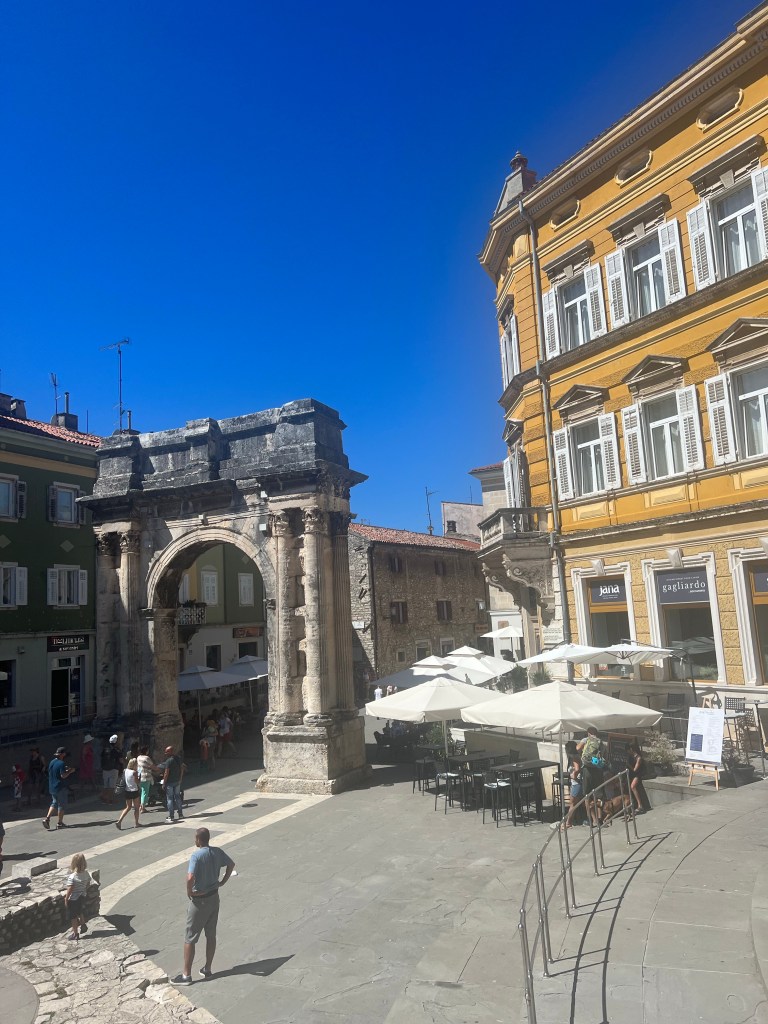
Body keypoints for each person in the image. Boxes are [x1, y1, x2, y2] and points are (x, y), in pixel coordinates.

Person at [172, 827, 235, 985]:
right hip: (214, 897)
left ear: (199, 840)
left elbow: (190, 877)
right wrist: (222, 882)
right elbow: (231, 864)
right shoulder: (217, 852)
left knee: (190, 937)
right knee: (211, 934)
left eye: (195, 838)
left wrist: (189, 891)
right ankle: (207, 968)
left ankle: (186, 975)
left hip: (200, 901)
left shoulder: (196, 856)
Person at [577, 727, 606, 827]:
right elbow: (604, 756)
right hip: (598, 770)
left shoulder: (586, 740)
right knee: (598, 795)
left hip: (587, 770)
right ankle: (600, 819)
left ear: (588, 733)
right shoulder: (601, 742)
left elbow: (577, 748)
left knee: (587, 796)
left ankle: (591, 820)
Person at [42, 746, 76, 830]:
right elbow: (63, 775)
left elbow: (54, 771)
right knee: (61, 805)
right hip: (60, 787)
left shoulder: (52, 762)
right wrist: (70, 771)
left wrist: (65, 769)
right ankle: (60, 823)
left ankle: (47, 819)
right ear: (63, 754)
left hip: (52, 787)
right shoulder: (61, 763)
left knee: (54, 802)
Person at [64, 852, 91, 940]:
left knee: (73, 917)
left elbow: (70, 889)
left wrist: (66, 899)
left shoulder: (72, 877)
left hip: (73, 899)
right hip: (82, 896)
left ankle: (75, 934)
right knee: (80, 911)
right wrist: (84, 890)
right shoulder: (86, 874)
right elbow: (88, 883)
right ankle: (83, 924)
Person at [161, 745, 186, 823]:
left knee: (170, 799)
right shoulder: (178, 758)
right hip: (177, 781)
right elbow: (182, 768)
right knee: (178, 797)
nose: (165, 753)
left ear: (171, 752)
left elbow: (166, 773)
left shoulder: (169, 761)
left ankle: (171, 815)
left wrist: (164, 783)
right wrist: (180, 779)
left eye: (167, 752)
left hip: (170, 782)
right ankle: (180, 813)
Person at [115, 758, 141, 830]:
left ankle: (119, 821)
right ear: (134, 764)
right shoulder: (134, 772)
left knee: (128, 807)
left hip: (127, 791)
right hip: (134, 791)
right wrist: (139, 778)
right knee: (136, 808)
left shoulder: (125, 770)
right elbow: (137, 782)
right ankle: (136, 823)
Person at [563, 740, 583, 829]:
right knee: (575, 803)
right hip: (576, 783)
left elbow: (577, 769)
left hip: (576, 783)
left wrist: (573, 775)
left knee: (573, 804)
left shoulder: (574, 758)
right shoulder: (577, 756)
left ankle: (568, 822)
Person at [100, 735, 123, 804]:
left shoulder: (105, 749)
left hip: (105, 769)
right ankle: (109, 799)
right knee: (112, 786)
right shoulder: (117, 751)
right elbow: (121, 760)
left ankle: (105, 798)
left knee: (106, 785)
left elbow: (101, 757)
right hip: (113, 769)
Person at [137, 745, 158, 813]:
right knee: (145, 793)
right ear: (146, 751)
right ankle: (143, 808)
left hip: (139, 777)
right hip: (146, 777)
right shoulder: (147, 758)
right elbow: (153, 766)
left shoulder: (138, 757)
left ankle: (141, 806)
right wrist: (158, 769)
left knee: (142, 792)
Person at [628, 744, 646, 813]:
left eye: (628, 750)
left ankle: (640, 805)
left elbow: (635, 769)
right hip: (632, 774)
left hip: (639, 774)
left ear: (631, 749)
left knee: (633, 786)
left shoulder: (638, 758)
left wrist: (628, 765)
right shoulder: (630, 757)